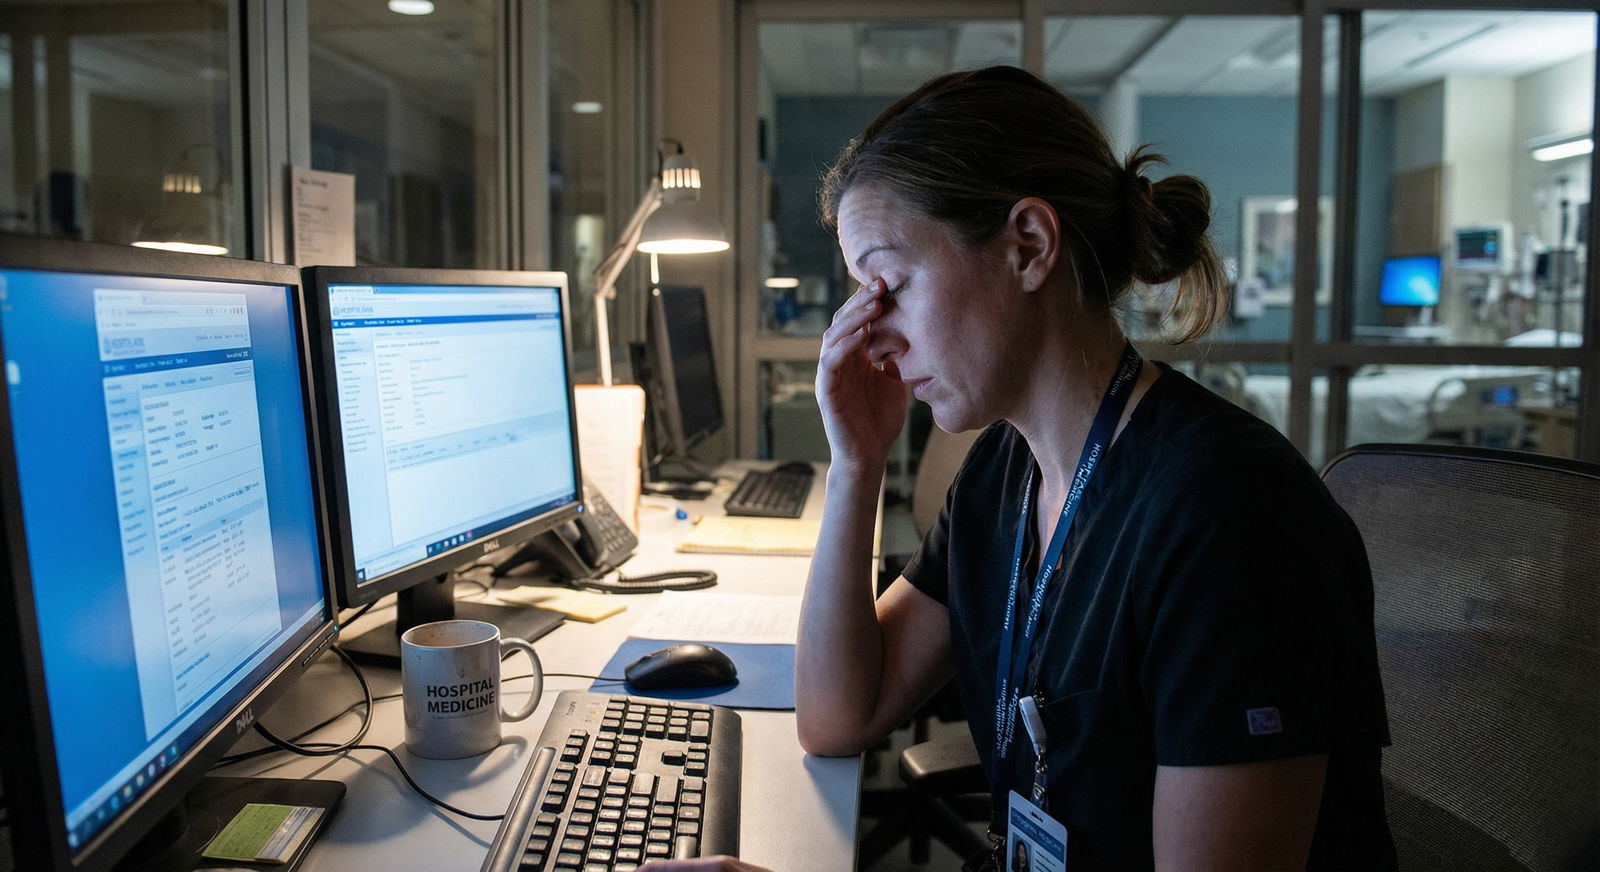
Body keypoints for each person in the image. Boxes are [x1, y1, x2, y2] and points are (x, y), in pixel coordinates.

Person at [641, 65, 1395, 872]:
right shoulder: (1006, 471)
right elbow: (837, 716)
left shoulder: (1232, 518)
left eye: (887, 287)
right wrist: (856, 463)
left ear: (1029, 246)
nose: (872, 338)